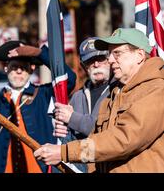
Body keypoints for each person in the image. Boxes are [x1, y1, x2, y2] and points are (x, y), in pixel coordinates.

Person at [34, 28, 164, 172]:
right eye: (109, 54)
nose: (110, 60)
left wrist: (64, 152)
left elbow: (122, 140)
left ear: (139, 55)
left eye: (117, 53)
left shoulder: (156, 90)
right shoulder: (114, 94)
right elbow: (96, 145)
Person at [0, 41, 76, 173]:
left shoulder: (43, 94)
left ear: (31, 69)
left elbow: (69, 79)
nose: (19, 71)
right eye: (14, 67)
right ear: (6, 68)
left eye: (23, 67)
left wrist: (40, 53)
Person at [53, 37, 113, 172]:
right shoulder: (77, 96)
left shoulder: (118, 91)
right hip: (83, 165)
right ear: (84, 66)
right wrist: (63, 130)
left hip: (110, 166)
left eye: (101, 58)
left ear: (110, 60)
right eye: (90, 61)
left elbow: (107, 132)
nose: (96, 64)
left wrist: (72, 118)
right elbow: (71, 137)